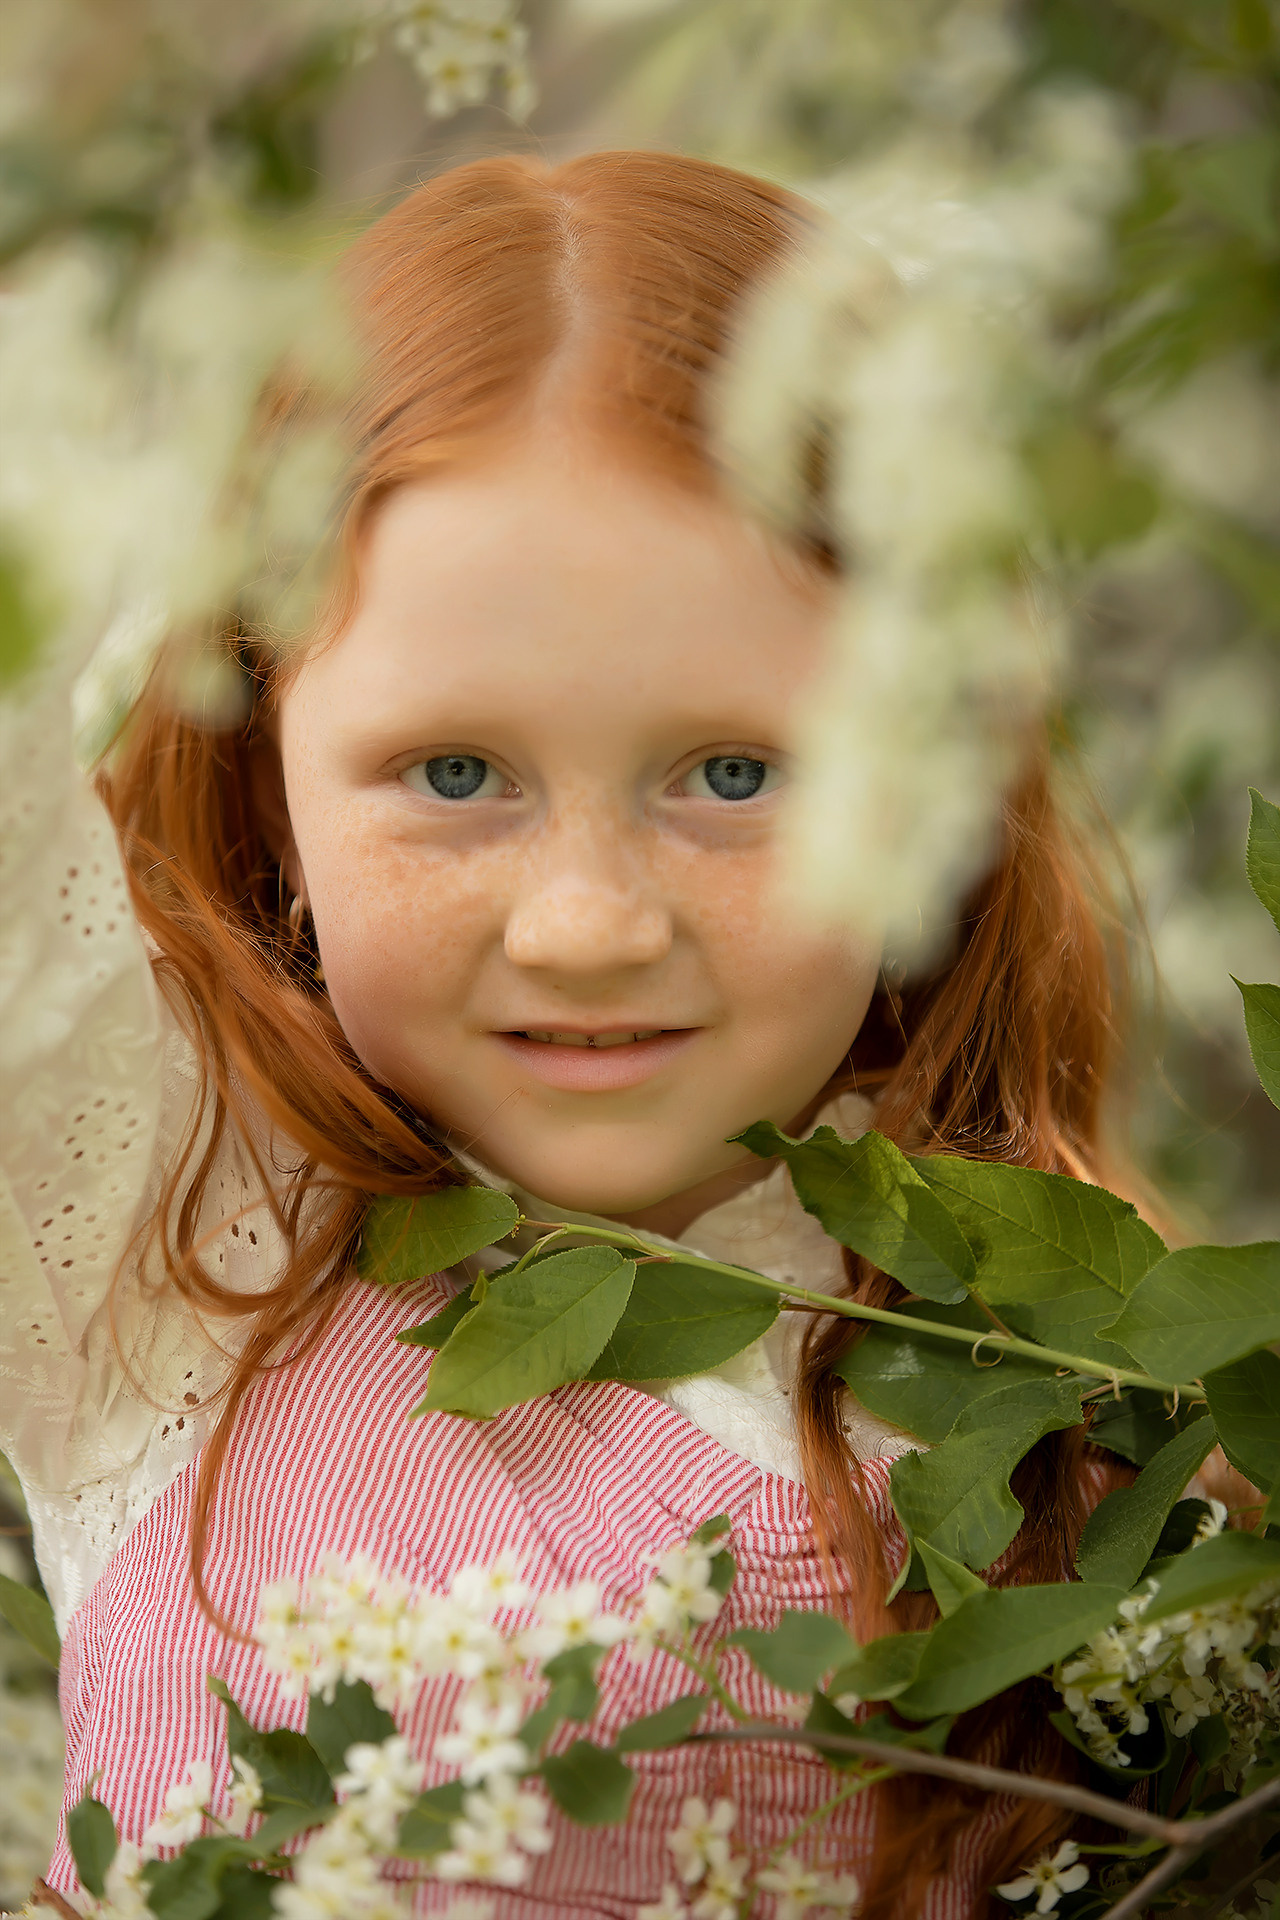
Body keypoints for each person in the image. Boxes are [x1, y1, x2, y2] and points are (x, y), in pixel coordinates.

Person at [1, 151, 1123, 1918]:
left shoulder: (1108, 1411)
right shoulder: (180, 1233)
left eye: (736, 773)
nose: (591, 926)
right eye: (455, 774)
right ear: (266, 771)